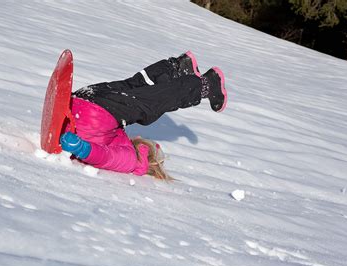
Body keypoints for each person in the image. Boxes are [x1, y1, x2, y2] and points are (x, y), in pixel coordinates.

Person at [59, 51, 228, 180]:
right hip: (85, 103)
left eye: (147, 142)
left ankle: (198, 79)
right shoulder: (121, 142)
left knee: (150, 99)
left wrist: (81, 148)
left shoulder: (132, 161)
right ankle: (178, 70)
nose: (140, 136)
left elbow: (105, 157)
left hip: (92, 109)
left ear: (146, 153)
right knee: (136, 90)